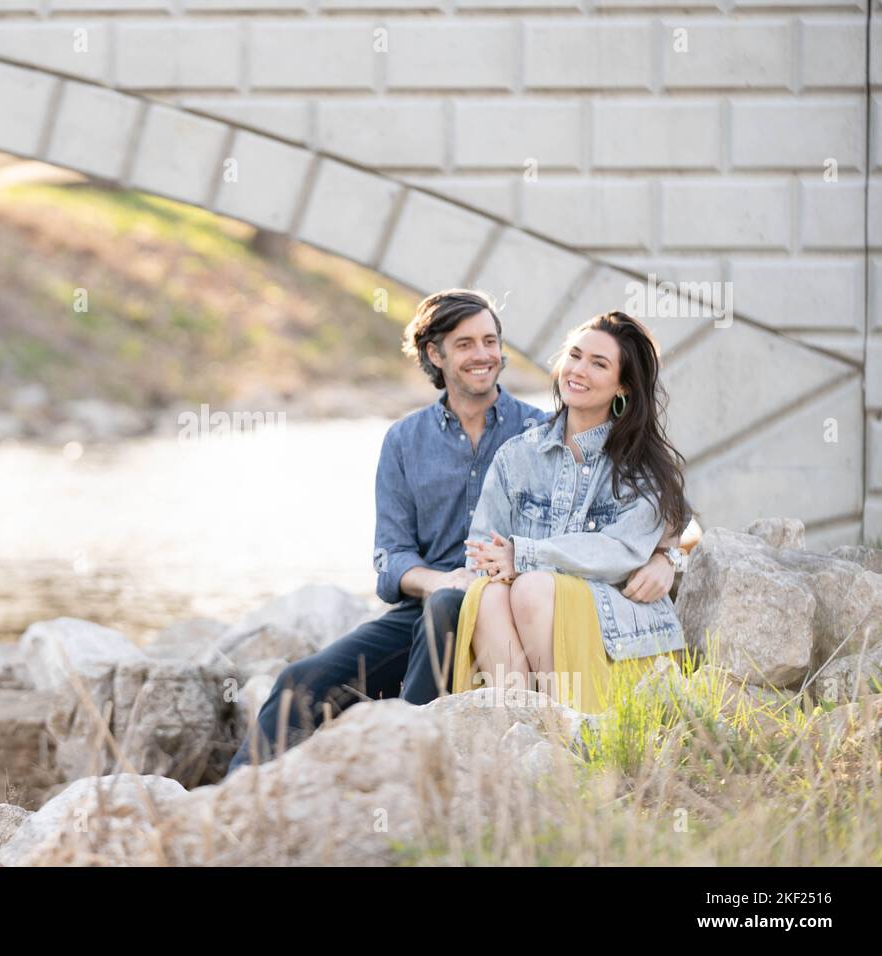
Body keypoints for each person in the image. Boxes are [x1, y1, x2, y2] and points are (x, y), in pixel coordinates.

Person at [225, 293, 676, 773]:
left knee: (454, 609)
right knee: (300, 681)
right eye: (465, 344)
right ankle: (234, 799)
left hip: (501, 597)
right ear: (435, 355)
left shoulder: (542, 429)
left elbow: (652, 506)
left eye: (491, 342)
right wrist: (438, 581)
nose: (483, 355)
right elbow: (389, 558)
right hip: (432, 602)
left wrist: (666, 557)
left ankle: (411, 767)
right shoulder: (406, 440)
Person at [453, 311, 692, 712]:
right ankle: (527, 730)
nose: (579, 370)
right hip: (528, 620)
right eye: (575, 356)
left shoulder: (644, 468)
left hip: (619, 635)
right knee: (488, 594)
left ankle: (571, 729)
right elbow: (481, 549)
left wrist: (525, 557)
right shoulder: (517, 456)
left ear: (624, 387)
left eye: (599, 364)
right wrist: (499, 566)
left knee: (532, 586)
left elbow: (621, 551)